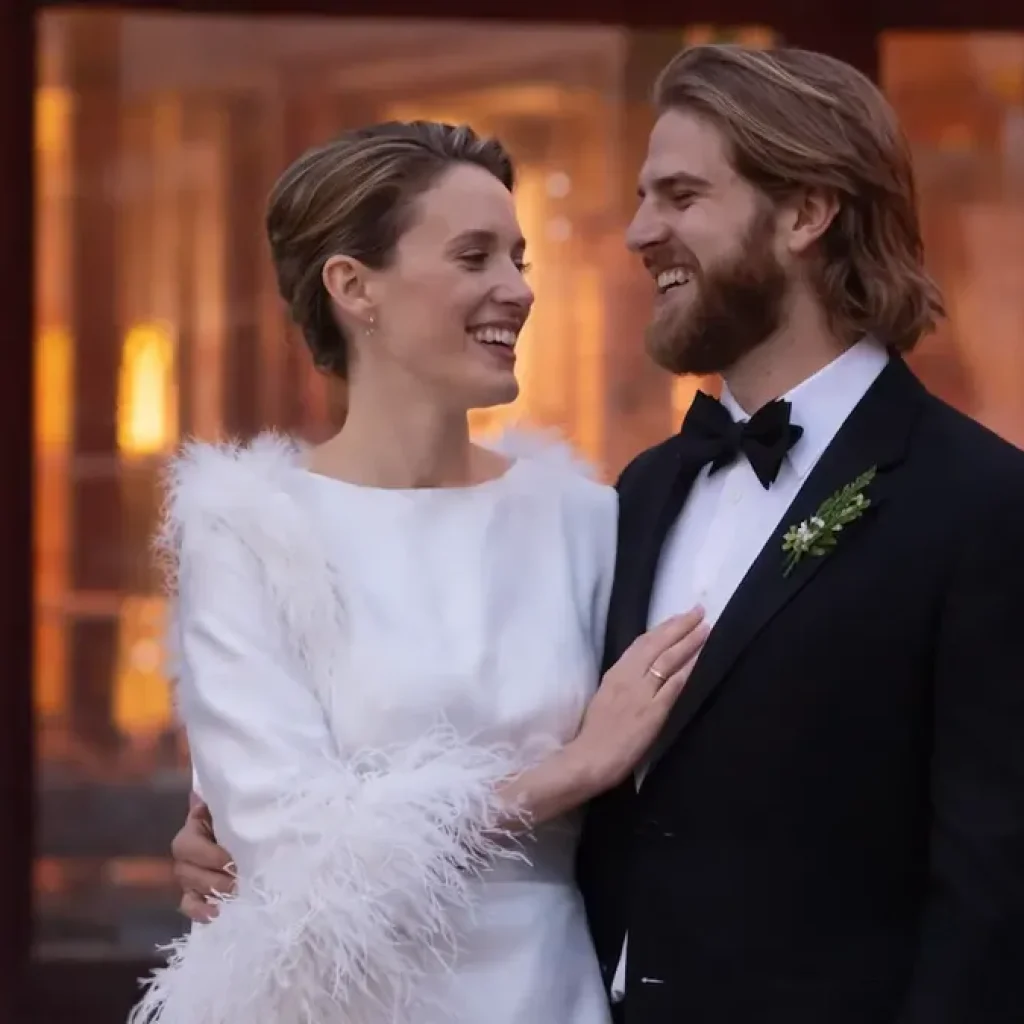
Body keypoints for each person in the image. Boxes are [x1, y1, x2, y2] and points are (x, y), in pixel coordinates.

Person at [171, 44, 1024, 1024]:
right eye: (474, 255)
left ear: (804, 214)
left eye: (680, 195)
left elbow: (994, 893)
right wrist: (238, 845)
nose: (637, 232)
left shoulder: (979, 504)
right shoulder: (643, 495)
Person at [129, 121, 708, 1024]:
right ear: (353, 286)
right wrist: (570, 772)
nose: (517, 289)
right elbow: (295, 848)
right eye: (474, 256)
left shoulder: (586, 520)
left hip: (550, 997)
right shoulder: (247, 530)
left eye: (517, 258)